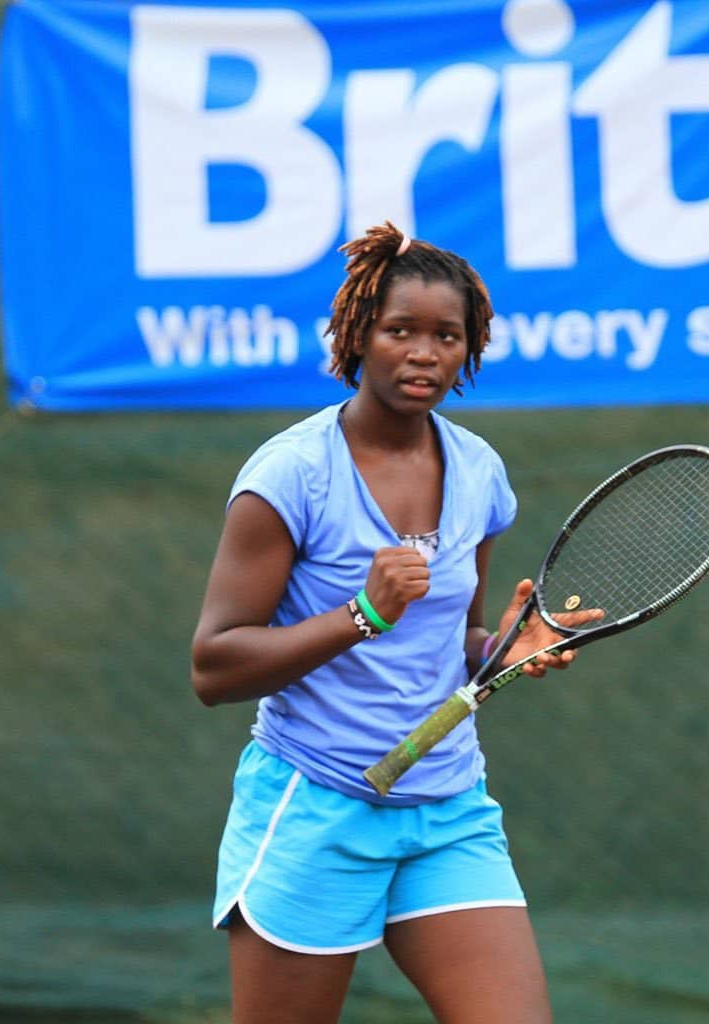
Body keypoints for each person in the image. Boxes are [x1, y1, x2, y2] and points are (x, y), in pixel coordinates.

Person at [190, 221, 601, 1024]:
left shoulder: (479, 471)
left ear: (469, 348)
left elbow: (461, 643)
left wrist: (508, 645)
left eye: (446, 336)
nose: (424, 353)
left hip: (448, 811)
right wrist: (361, 614)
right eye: (400, 331)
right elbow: (214, 668)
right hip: (316, 807)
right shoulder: (292, 475)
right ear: (357, 337)